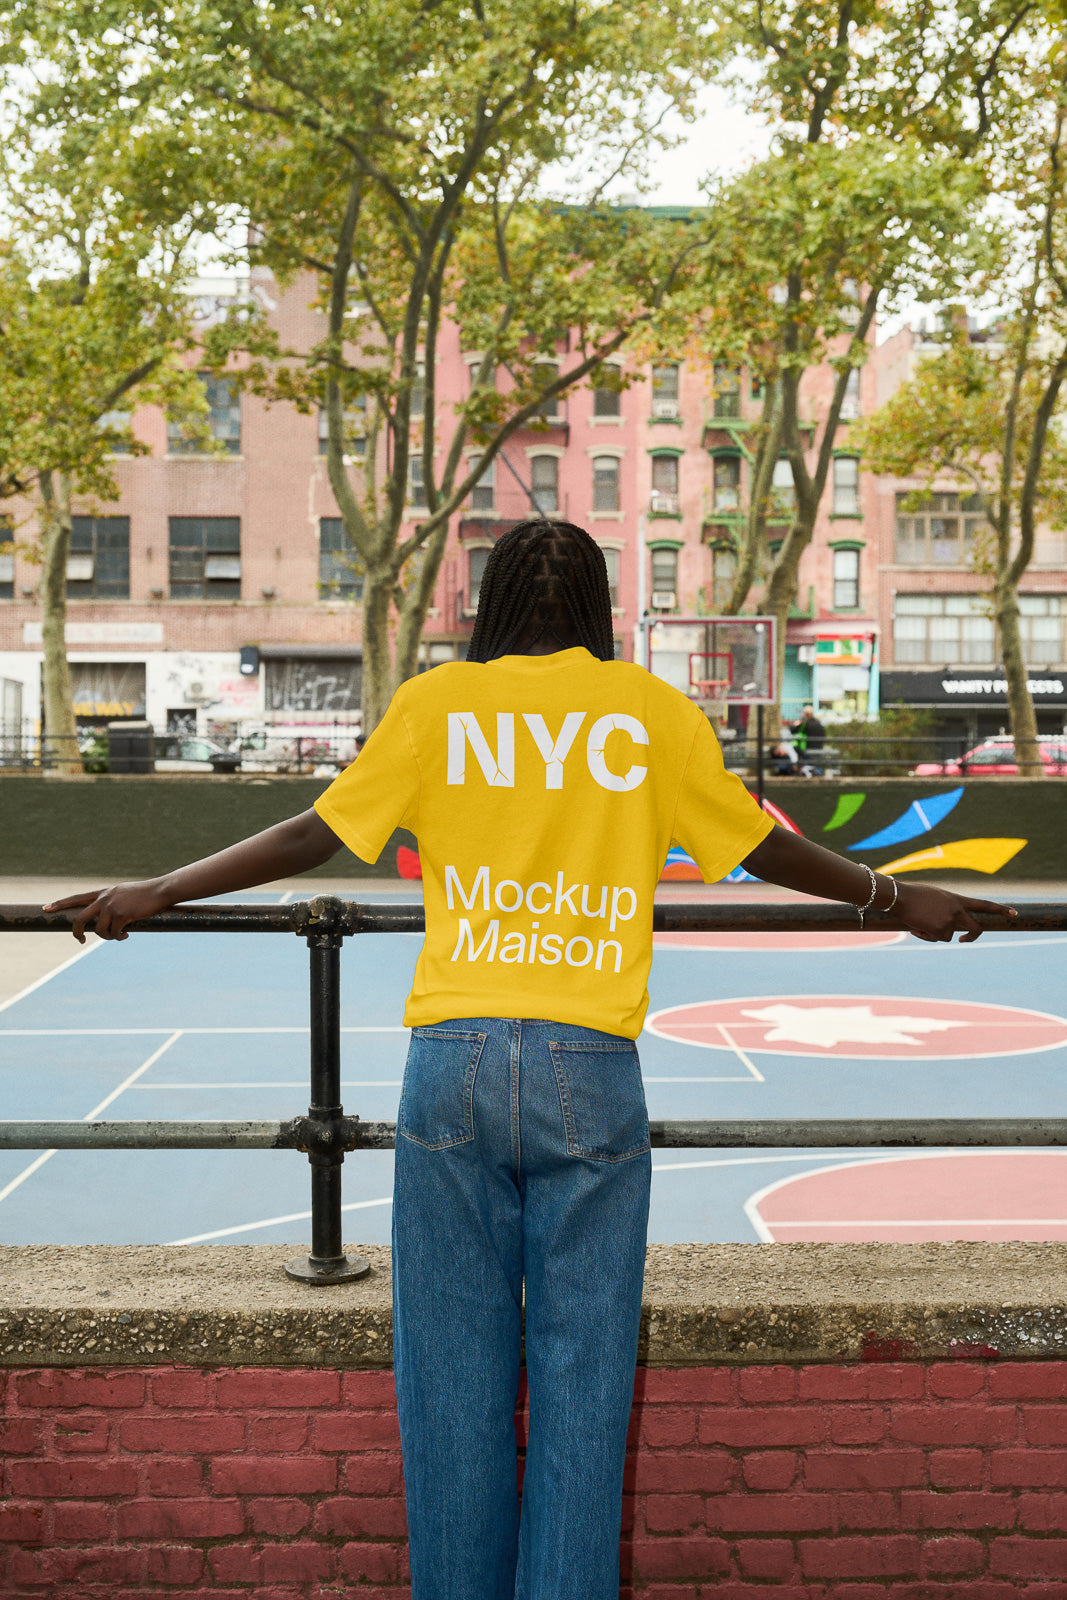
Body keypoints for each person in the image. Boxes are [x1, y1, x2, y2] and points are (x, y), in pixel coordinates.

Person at [44, 520, 1016, 1600]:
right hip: (586, 1062)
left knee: (450, 1380)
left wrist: (156, 889)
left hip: (451, 1058)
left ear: (489, 602)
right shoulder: (651, 713)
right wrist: (896, 897)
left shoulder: (432, 708)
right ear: (596, 607)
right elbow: (760, 846)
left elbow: (310, 836)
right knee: (581, 1380)